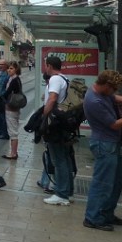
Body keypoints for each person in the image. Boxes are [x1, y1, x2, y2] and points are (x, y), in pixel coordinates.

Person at [82, 70, 122, 231]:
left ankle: (106, 213)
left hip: (111, 143)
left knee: (117, 182)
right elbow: (115, 124)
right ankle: (93, 217)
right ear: (106, 85)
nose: (115, 92)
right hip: (104, 145)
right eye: (113, 88)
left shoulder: (102, 92)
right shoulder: (94, 101)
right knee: (102, 183)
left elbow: (113, 98)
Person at [42, 54, 74, 206]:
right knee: (65, 158)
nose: (45, 68)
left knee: (58, 159)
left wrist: (43, 117)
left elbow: (53, 98)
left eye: (46, 66)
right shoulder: (64, 78)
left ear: (49, 66)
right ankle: (67, 191)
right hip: (62, 123)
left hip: (55, 123)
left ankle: (61, 194)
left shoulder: (54, 79)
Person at [1, 61, 23, 159]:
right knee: (12, 129)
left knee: (13, 131)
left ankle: (13, 153)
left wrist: (0, 96)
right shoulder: (13, 79)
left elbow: (7, 93)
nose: (9, 70)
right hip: (14, 107)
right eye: (8, 68)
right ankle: (13, 152)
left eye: (11, 68)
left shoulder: (14, 80)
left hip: (12, 108)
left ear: (16, 69)